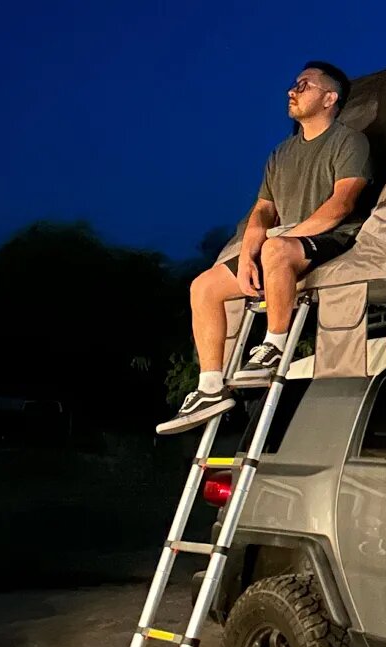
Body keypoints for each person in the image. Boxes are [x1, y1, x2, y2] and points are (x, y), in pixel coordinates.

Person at [157, 61, 372, 435]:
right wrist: (246, 259)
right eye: (294, 84)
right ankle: (210, 388)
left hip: (331, 235)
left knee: (275, 251)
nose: (292, 90)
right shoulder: (280, 154)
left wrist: (281, 243)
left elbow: (342, 204)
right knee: (203, 287)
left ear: (329, 98)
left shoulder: (349, 141)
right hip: (283, 241)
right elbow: (261, 212)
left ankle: (273, 346)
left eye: (303, 85)